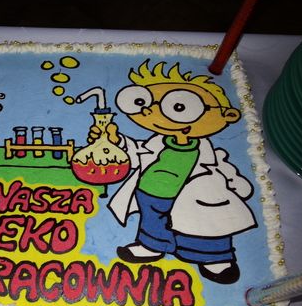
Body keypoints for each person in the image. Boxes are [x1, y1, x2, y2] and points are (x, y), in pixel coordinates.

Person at [89, 60, 256, 284]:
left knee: (203, 224)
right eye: (143, 103)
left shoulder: (208, 152)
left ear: (228, 115)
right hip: (150, 190)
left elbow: (223, 166)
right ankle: (152, 246)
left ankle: (214, 257)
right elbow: (138, 152)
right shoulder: (157, 141)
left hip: (196, 193)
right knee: (153, 221)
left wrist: (236, 183)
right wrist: (115, 140)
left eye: (178, 107)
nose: (151, 112)